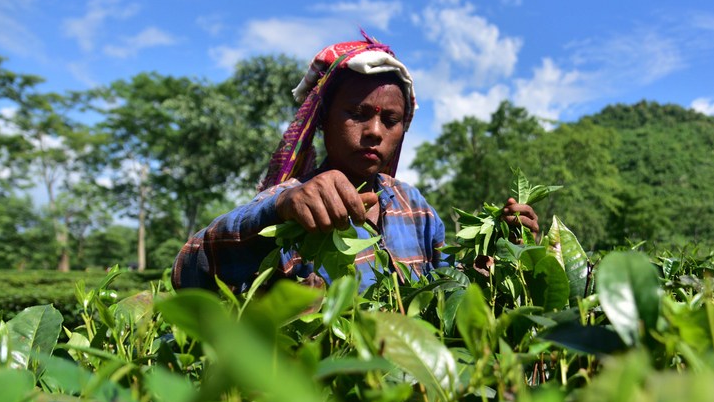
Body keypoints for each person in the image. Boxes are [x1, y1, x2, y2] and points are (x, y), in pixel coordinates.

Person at [172, 33, 538, 293]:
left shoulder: (417, 209)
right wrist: (275, 212)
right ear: (323, 120)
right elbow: (188, 268)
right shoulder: (290, 202)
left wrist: (505, 252)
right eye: (357, 114)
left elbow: (447, 291)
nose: (375, 132)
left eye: (391, 121)